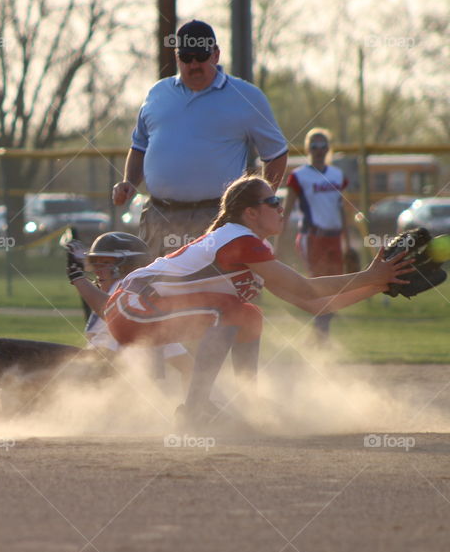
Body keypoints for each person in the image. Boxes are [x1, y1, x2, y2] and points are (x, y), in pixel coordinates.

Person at [102, 175, 410, 429]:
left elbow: (317, 306)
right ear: (250, 213)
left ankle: (247, 404)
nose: (280, 208)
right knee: (231, 311)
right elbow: (307, 288)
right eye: (273, 202)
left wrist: (380, 284)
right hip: (132, 306)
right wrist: (370, 274)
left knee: (249, 316)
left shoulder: (252, 248)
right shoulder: (238, 240)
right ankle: (194, 410)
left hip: (145, 312)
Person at [112, 20, 289, 258]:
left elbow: (275, 154)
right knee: (155, 290)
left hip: (218, 215)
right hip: (160, 214)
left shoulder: (246, 96)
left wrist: (263, 203)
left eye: (201, 56)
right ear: (177, 58)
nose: (194, 64)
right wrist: (130, 182)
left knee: (217, 290)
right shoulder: (158, 93)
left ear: (215, 54)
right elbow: (140, 146)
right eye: (186, 57)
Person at [0, 232, 190, 410]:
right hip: (93, 370)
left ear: (129, 265)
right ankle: (28, 403)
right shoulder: (117, 296)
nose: (97, 270)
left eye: (105, 263)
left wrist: (78, 278)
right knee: (14, 372)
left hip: (106, 371)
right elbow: (185, 364)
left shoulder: (132, 292)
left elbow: (116, 313)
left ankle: (30, 405)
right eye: (95, 263)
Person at [279, 128, 349, 340]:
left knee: (336, 284)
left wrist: (348, 241)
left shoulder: (337, 175)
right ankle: (320, 332)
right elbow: (286, 210)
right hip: (312, 235)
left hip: (334, 235)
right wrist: (277, 242)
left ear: (328, 148)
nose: (319, 150)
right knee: (319, 282)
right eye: (314, 146)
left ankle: (320, 329)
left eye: (323, 145)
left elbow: (342, 208)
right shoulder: (299, 176)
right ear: (308, 148)